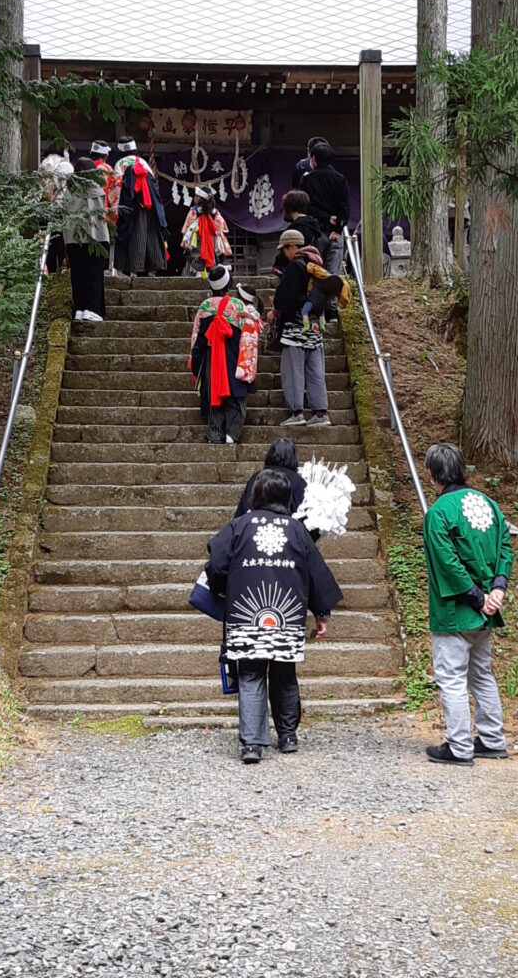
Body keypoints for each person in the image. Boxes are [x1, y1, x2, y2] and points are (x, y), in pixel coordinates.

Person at [206, 468, 342, 763]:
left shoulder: (239, 527)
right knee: (284, 672)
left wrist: (219, 591)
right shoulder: (297, 531)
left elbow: (216, 563)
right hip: (287, 615)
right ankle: (288, 736)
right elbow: (316, 573)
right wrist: (321, 613)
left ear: (256, 495)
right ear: (287, 498)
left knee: (251, 673)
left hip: (245, 615)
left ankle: (252, 744)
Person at [422, 442, 514, 767]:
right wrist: (497, 589)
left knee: (452, 677)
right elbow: (505, 545)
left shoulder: (439, 513)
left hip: (455, 611)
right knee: (481, 674)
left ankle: (459, 746)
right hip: (486, 611)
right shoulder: (488, 504)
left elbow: (447, 563)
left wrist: (476, 598)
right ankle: (492, 739)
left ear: (434, 475)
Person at [188, 265, 256, 444]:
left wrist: (195, 365)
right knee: (236, 394)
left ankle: (214, 433)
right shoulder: (238, 305)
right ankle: (231, 434)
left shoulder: (204, 307)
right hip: (233, 354)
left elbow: (196, 339)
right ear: (229, 284)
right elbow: (250, 333)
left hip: (211, 356)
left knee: (212, 395)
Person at [270, 230, 330, 427]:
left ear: (292, 247)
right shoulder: (317, 265)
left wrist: (275, 308)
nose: (285, 255)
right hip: (314, 328)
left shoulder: (296, 266)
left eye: (285, 249)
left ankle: (297, 412)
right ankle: (320, 413)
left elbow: (284, 298)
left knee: (292, 370)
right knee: (315, 371)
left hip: (295, 329)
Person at [62, 158, 110, 322]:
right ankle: (93, 308)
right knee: (93, 274)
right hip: (95, 237)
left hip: (73, 239)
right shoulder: (97, 190)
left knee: (77, 274)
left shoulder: (69, 191)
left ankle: (79, 309)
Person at [113, 135, 168, 277]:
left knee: (132, 235)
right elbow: (153, 186)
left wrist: (115, 211)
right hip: (149, 204)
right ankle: (152, 268)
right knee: (150, 234)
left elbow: (116, 189)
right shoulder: (143, 163)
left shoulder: (120, 164)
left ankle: (133, 268)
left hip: (130, 204)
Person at [299, 142, 350, 274]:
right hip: (336, 232)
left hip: (315, 231)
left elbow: (305, 208)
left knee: (315, 271)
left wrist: (326, 218)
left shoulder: (307, 180)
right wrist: (337, 227)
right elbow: (345, 207)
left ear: (314, 159)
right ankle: (332, 295)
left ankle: (317, 295)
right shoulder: (340, 179)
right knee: (333, 274)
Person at [235, 438, 308, 519]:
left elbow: (242, 509)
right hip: (285, 527)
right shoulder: (298, 481)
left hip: (251, 522)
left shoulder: (255, 477)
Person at [181, 186, 232, 276]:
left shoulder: (193, 211)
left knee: (194, 266)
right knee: (211, 267)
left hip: (196, 243)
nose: (195, 198)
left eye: (196, 196)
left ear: (199, 198)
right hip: (210, 244)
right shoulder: (215, 213)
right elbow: (221, 227)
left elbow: (186, 229)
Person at [39, 144, 74, 273]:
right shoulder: (66, 165)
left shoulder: (43, 164)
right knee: (62, 244)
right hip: (61, 209)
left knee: (49, 246)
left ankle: (50, 271)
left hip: (44, 208)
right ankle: (62, 274)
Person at [281, 189, 329, 258]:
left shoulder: (295, 229)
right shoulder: (313, 225)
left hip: (298, 266)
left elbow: (286, 255)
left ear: (289, 207)